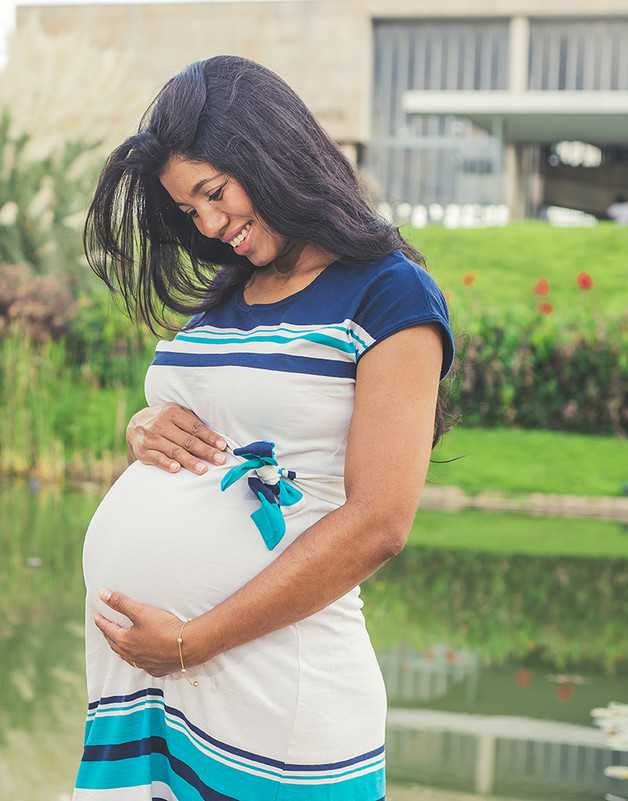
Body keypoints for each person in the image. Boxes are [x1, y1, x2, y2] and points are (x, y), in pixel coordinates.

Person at [73, 56, 454, 801]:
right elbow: (224, 418)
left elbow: (380, 520)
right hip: (156, 695)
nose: (210, 224)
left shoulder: (389, 295)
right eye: (189, 211)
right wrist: (144, 427)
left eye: (213, 192)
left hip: (274, 697)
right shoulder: (230, 294)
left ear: (270, 151)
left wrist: (190, 642)